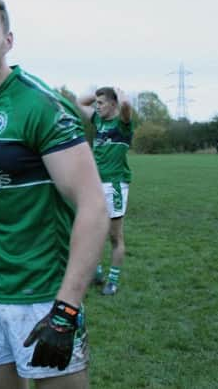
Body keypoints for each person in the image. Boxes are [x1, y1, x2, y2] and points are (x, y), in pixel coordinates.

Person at [0, 0, 109, 389]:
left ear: (8, 40)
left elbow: (93, 206)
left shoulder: (41, 106)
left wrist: (66, 309)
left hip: (43, 297)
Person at [76, 87, 133, 296]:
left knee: (114, 236)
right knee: (92, 230)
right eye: (97, 103)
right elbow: (80, 101)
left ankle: (113, 280)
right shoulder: (98, 121)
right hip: (94, 183)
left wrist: (120, 94)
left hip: (115, 185)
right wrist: (101, 89)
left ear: (113, 104)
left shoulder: (122, 125)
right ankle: (97, 272)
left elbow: (126, 106)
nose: (96, 106)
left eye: (101, 103)